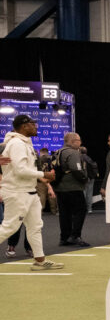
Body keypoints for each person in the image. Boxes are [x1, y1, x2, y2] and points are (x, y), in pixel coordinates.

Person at [0, 115, 63, 270]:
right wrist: (44, 175)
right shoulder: (17, 143)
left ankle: (40, 261)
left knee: (35, 227)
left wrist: (42, 179)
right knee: (9, 227)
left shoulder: (25, 143)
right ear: (24, 126)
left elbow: (25, 169)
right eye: (33, 124)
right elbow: (20, 170)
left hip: (29, 191)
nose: (36, 126)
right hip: (17, 192)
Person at [53, 131, 89, 246]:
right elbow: (76, 169)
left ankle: (64, 237)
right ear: (73, 141)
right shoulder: (73, 153)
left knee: (64, 214)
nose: (80, 143)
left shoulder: (58, 152)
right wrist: (84, 178)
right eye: (79, 140)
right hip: (73, 187)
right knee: (81, 210)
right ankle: (75, 236)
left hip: (60, 187)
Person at [80, 145, 99, 213]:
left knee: (83, 193)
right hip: (92, 178)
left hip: (85, 178)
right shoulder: (89, 158)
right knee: (89, 194)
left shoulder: (80, 158)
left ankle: (83, 209)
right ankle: (89, 209)